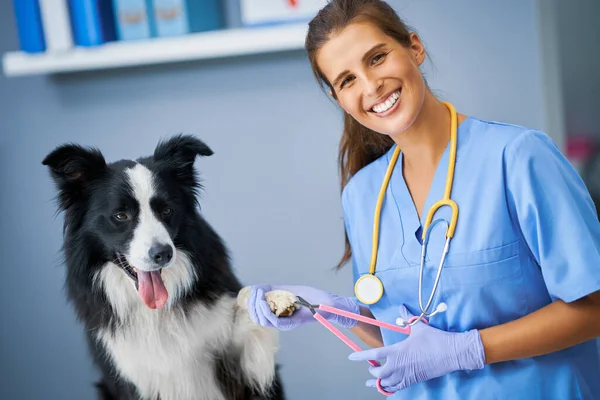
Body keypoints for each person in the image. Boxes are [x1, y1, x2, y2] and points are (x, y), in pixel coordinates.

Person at [246, 0, 600, 398]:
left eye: (377, 58)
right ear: (338, 98)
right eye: (347, 80)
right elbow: (405, 346)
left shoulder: (518, 156)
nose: (370, 86)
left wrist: (467, 350)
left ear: (414, 47)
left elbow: (594, 307)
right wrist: (334, 312)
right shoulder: (363, 196)